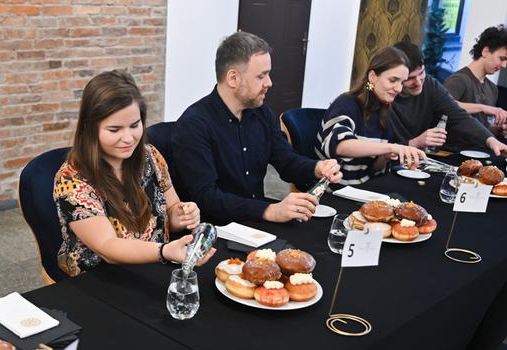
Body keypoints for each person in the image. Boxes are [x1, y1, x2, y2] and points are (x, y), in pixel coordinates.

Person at [53, 70, 214, 277]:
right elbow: (108, 247)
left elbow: (172, 209)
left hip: (154, 269)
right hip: (99, 280)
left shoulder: (150, 156)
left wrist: (183, 214)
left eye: (135, 125)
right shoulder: (71, 179)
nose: (128, 138)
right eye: (115, 130)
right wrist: (164, 251)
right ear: (90, 128)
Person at [171, 32, 342, 225]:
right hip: (217, 231)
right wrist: (269, 210)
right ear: (233, 78)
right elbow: (207, 199)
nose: (269, 83)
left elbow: (286, 161)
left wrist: (317, 168)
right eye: (261, 76)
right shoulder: (194, 125)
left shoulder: (261, 113)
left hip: (256, 224)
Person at [315, 47, 426, 185]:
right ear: (372, 77)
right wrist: (392, 147)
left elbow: (371, 169)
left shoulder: (383, 110)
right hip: (334, 190)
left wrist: (384, 157)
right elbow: (340, 145)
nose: (398, 88)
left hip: (362, 187)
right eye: (393, 80)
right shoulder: (346, 103)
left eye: (402, 82)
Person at [389, 41, 507, 155]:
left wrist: (491, 140)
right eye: (410, 78)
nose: (419, 82)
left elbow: (458, 116)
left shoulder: (430, 85)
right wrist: (416, 142)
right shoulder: (387, 95)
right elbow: (383, 147)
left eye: (421, 73)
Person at [444, 25, 507, 140]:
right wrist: (484, 108)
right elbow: (445, 106)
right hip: (453, 150)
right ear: (485, 51)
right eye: (502, 59)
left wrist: (496, 129)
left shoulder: (492, 88)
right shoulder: (458, 80)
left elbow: (481, 126)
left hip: (480, 150)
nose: (504, 65)